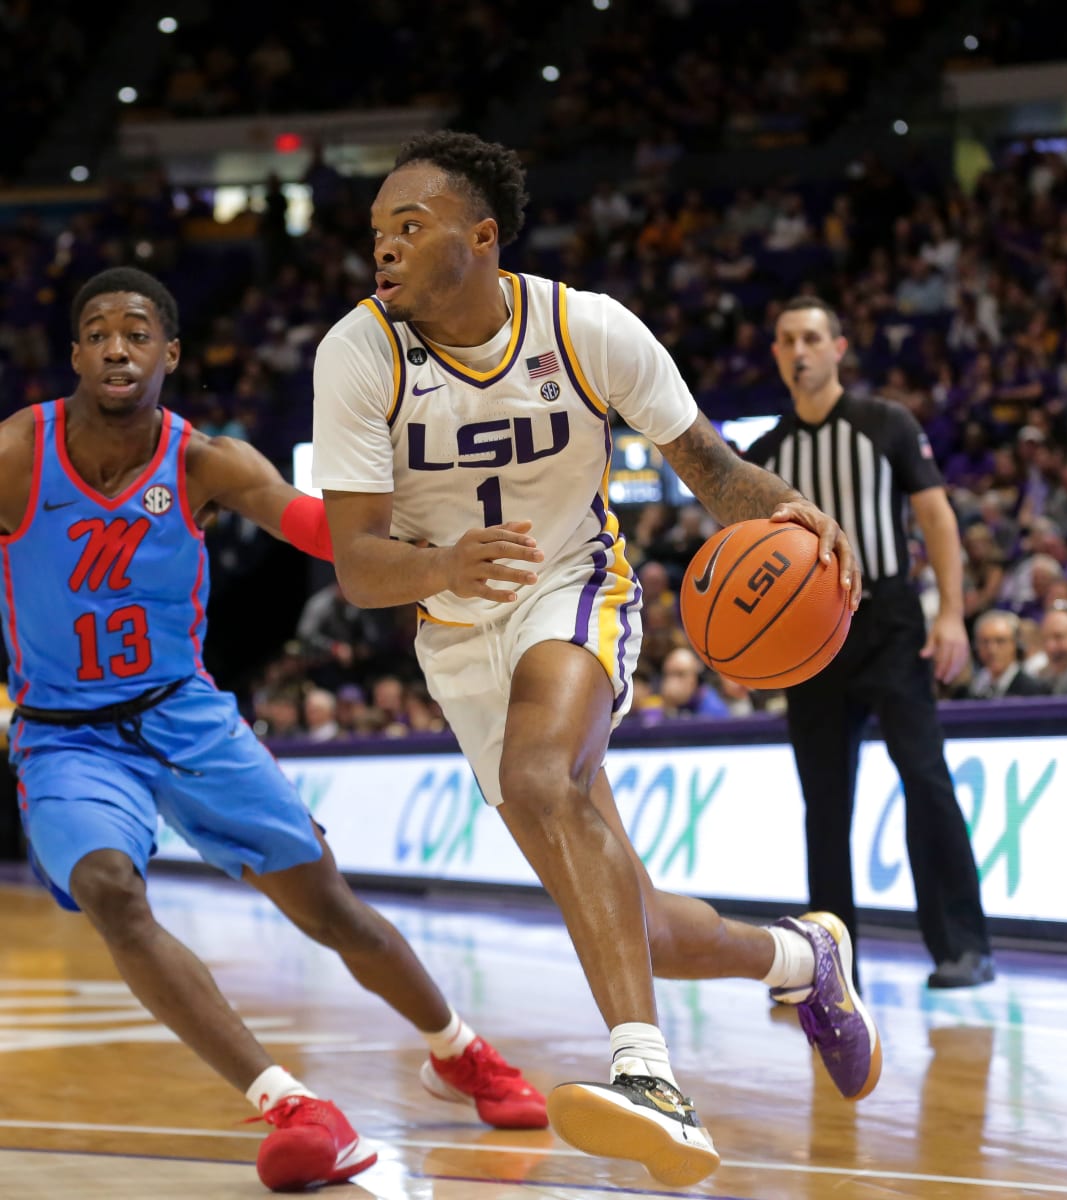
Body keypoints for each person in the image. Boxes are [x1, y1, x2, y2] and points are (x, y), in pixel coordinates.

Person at [310, 131, 879, 1189]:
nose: (382, 248)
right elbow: (356, 568)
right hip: (453, 626)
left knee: (539, 774)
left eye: (408, 225)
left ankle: (648, 1078)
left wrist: (794, 512)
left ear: (480, 239)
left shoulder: (586, 328)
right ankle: (807, 961)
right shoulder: (357, 352)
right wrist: (442, 564)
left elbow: (708, 468)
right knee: (643, 925)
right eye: (377, 230)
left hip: (575, 585)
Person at [0, 267, 546, 1195]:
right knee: (110, 891)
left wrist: (440, 556)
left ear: (171, 355)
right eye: (98, 333)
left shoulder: (206, 460)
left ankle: (457, 1050)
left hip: (187, 716)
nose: (117, 348)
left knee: (328, 907)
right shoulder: (18, 452)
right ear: (77, 355)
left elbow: (317, 529)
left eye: (137, 333)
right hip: (64, 735)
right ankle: (292, 1105)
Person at [743, 295, 994, 991]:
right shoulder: (767, 456)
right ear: (777, 353)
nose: (800, 350)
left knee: (924, 775)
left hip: (887, 617)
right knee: (824, 801)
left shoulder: (887, 423)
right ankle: (828, 968)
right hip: (810, 634)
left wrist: (951, 615)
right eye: (788, 338)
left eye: (813, 337)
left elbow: (938, 520)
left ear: (838, 348)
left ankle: (962, 946)